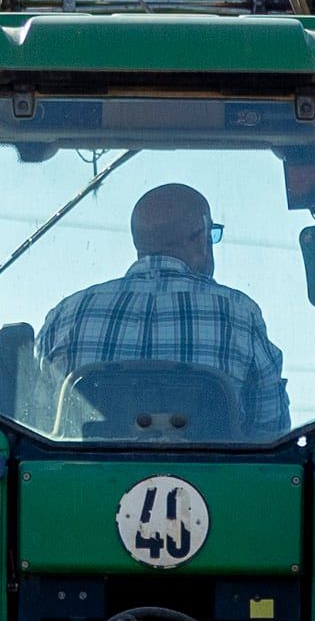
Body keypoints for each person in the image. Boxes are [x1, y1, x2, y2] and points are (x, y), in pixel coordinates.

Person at [34, 182, 290, 440]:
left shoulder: (68, 315)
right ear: (200, 238)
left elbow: (36, 421)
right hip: (214, 478)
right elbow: (271, 432)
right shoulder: (238, 314)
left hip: (82, 479)